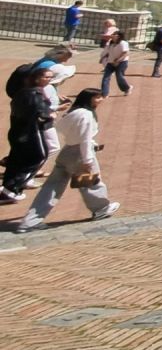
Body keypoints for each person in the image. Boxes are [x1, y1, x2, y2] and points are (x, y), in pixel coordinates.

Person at [14, 89, 119, 231]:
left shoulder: (73, 112)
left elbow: (59, 127)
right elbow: (85, 140)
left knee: (51, 187)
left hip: (67, 152)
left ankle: (30, 221)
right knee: (91, 183)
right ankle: (101, 209)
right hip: (80, 154)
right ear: (89, 99)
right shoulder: (86, 115)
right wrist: (87, 160)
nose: (101, 100)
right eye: (98, 97)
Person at [2, 67, 55, 202]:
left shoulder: (20, 93)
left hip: (18, 132)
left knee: (16, 160)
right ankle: (12, 188)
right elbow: (40, 115)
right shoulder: (33, 95)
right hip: (30, 132)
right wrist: (50, 115)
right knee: (38, 157)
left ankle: (8, 189)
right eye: (46, 77)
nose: (49, 80)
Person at [98, 30, 131, 96]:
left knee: (119, 76)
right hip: (111, 62)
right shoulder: (111, 43)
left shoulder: (123, 43)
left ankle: (127, 88)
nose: (112, 35)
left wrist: (118, 61)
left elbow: (126, 53)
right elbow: (107, 51)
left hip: (122, 62)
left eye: (114, 34)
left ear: (119, 36)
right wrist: (102, 58)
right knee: (106, 77)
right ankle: (104, 93)